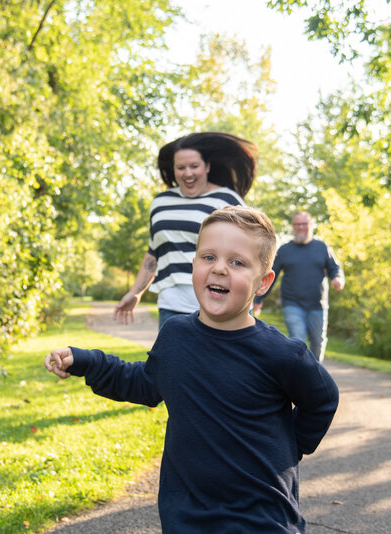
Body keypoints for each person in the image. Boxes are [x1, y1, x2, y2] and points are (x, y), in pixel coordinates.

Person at [45, 206, 339, 533]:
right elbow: (143, 382)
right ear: (194, 264)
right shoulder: (175, 336)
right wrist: (85, 361)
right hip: (187, 515)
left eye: (237, 262)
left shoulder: (282, 353)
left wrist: (291, 446)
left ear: (263, 282)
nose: (219, 270)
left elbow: (323, 399)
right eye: (208, 257)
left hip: (263, 517)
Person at [113, 132, 257, 329]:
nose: (187, 173)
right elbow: (154, 253)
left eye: (194, 166)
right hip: (172, 306)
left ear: (206, 167)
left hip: (222, 304)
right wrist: (135, 291)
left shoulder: (227, 200)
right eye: (181, 167)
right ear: (173, 170)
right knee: (173, 361)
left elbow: (249, 251)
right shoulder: (161, 203)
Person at [253, 211, 345, 362]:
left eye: (304, 224)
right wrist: (259, 298)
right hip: (292, 304)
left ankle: (315, 372)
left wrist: (337, 278)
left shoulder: (322, 248)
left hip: (317, 305)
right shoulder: (284, 250)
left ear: (311, 226)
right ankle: (300, 377)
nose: (301, 227)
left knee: (318, 342)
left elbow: (334, 268)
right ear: (293, 227)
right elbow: (270, 276)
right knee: (298, 341)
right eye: (297, 224)